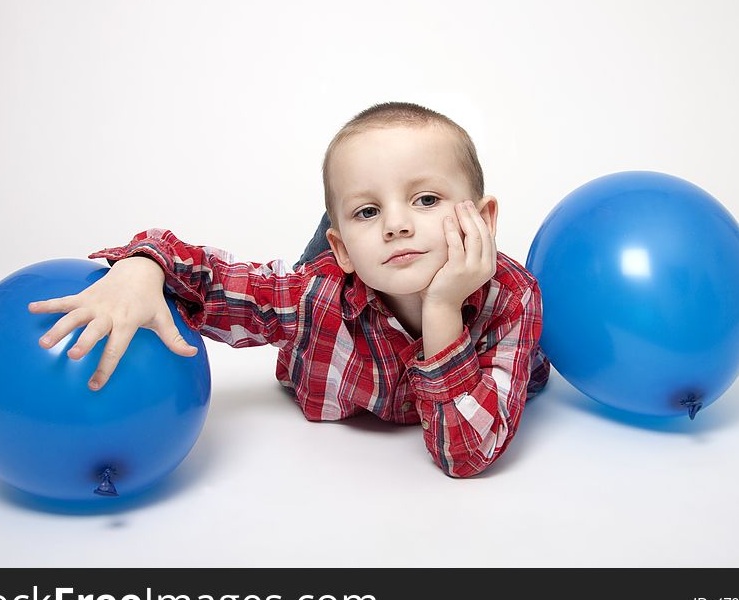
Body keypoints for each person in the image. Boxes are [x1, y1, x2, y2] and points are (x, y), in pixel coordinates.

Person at [28, 102, 550, 477]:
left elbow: (465, 456)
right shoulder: (317, 292)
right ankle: (367, 217)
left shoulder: (515, 297)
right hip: (335, 294)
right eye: (371, 211)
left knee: (534, 368)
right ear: (342, 250)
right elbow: (213, 283)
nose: (397, 224)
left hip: (468, 337)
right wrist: (144, 265)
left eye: (427, 199)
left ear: (482, 219)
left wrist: (441, 309)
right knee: (304, 281)